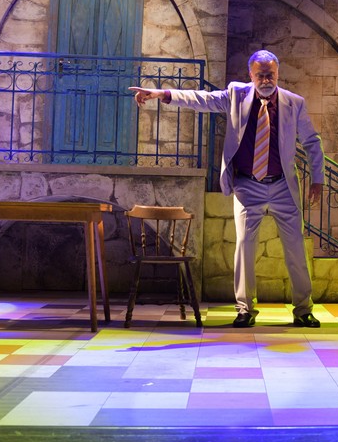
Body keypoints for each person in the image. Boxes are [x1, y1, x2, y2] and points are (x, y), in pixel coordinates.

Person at [129, 49, 325, 328]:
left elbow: (312, 142)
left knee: (295, 248)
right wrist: (162, 94)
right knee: (244, 247)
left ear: (278, 73)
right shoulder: (236, 95)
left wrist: (317, 179)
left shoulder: (294, 103)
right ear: (251, 75)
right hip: (247, 185)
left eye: (270, 75)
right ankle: (245, 309)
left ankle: (303, 310)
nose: (266, 80)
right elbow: (202, 99)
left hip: (283, 185)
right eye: (260, 75)